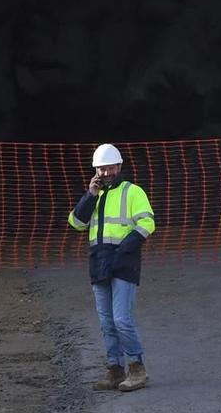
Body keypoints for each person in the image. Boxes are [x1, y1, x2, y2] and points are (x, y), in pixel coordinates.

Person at [67, 142, 156, 392]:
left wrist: (124, 249)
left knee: (121, 319)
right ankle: (115, 369)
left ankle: (137, 368)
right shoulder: (96, 195)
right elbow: (76, 222)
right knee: (106, 322)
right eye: (101, 170)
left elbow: (147, 223)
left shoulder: (132, 192)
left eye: (109, 168)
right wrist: (90, 196)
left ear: (119, 166)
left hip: (123, 263)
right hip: (99, 263)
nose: (106, 174)